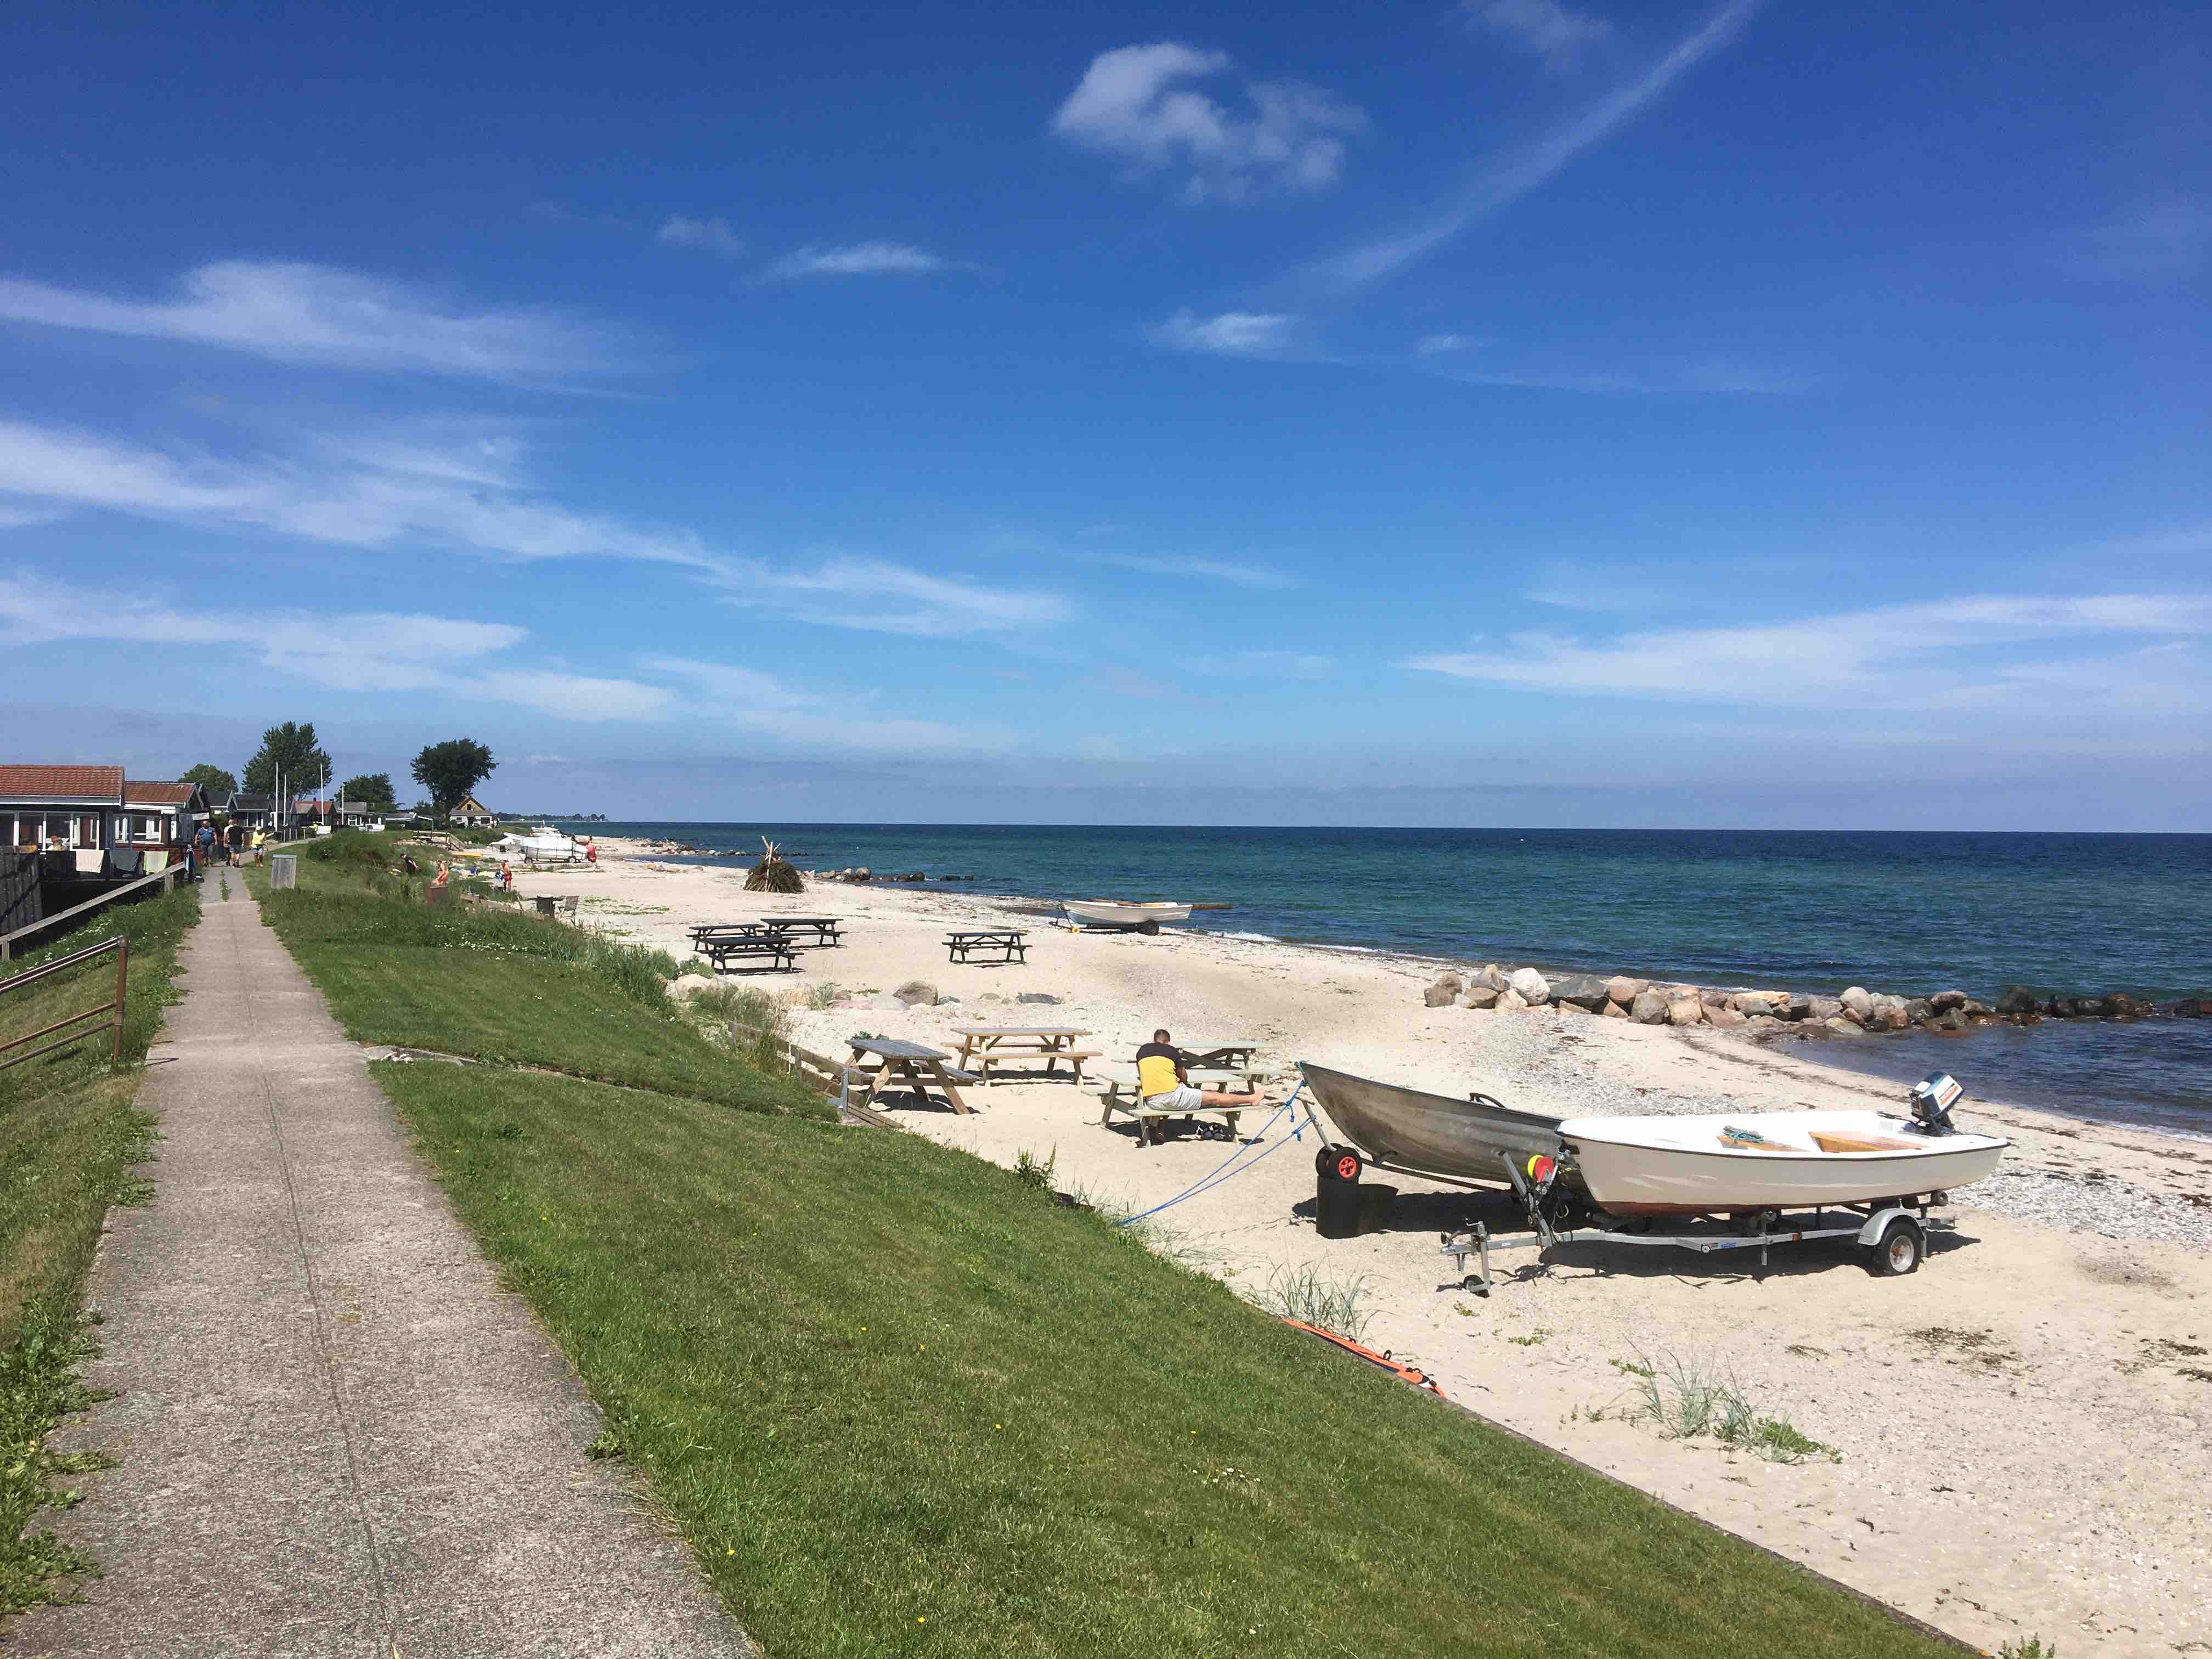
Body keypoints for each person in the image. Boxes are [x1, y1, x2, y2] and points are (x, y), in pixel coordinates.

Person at [1133, 1028, 1263, 1140]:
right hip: (1173, 1097)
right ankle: (1251, 1098)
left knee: (1172, 1087)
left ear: (1154, 1040)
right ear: (1168, 1042)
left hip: (1152, 1101)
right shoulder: (1171, 1050)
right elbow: (1184, 1076)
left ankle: (1161, 1128)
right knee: (1215, 1096)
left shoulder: (1142, 1051)